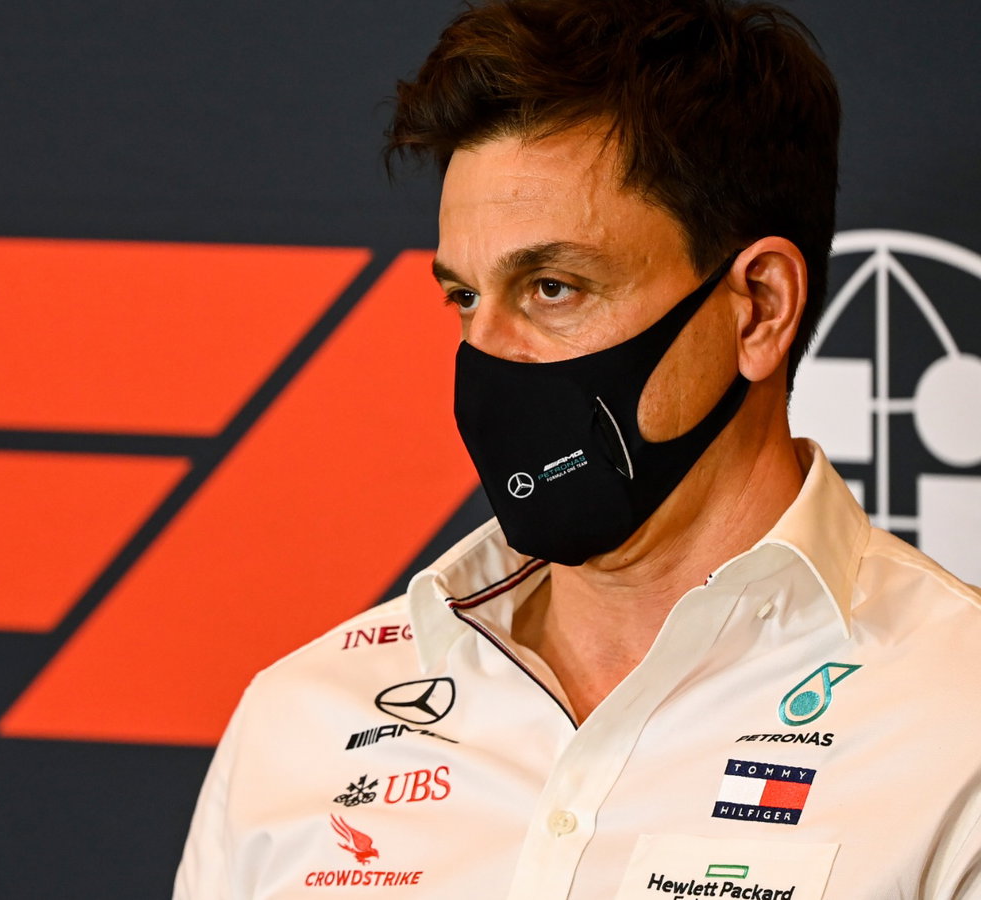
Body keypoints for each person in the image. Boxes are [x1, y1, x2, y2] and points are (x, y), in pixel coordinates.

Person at [174, 1, 981, 897]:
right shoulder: (301, 725)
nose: (487, 356)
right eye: (465, 298)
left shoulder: (957, 730)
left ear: (758, 308)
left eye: (553, 287)